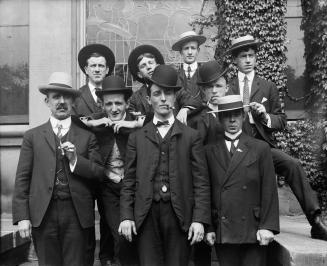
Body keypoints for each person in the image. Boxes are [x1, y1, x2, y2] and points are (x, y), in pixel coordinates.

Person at [227, 34, 327, 240]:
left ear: (256, 58)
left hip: (262, 148)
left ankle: (316, 221)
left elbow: (281, 120)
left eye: (251, 55)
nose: (248, 60)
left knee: (293, 164)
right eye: (243, 56)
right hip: (234, 149)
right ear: (235, 60)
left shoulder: (267, 86)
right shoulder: (228, 87)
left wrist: (264, 116)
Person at [119, 65, 211, 266]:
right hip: (146, 214)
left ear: (175, 97)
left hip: (179, 215)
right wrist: (126, 216)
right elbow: (129, 181)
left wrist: (199, 219)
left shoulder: (191, 137)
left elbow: (201, 182)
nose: (162, 98)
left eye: (168, 93)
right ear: (149, 99)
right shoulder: (137, 138)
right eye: (157, 93)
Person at [12, 72, 105, 266]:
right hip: (43, 214)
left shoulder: (87, 137)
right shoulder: (33, 136)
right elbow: (22, 179)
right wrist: (22, 217)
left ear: (74, 102)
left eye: (66, 97)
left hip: (76, 214)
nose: (61, 102)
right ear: (47, 101)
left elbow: (98, 173)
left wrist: (76, 160)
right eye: (56, 97)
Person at [205, 95, 280, 266]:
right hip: (224, 229)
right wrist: (208, 227)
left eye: (237, 114)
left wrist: (267, 226)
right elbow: (205, 191)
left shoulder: (260, 148)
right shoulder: (209, 151)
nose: (232, 120)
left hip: (253, 229)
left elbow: (269, 189)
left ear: (244, 116)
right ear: (219, 118)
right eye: (227, 115)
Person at [88, 76, 138, 266]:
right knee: (120, 233)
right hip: (108, 187)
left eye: (119, 103)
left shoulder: (137, 121)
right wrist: (92, 123)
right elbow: (73, 120)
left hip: (134, 187)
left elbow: (156, 119)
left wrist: (133, 124)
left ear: (127, 103)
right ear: (102, 104)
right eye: (109, 104)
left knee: (136, 233)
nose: (114, 109)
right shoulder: (97, 121)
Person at [74, 43, 116, 266]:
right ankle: (87, 258)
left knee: (110, 215)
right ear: (86, 69)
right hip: (87, 164)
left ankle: (107, 257)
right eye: (93, 66)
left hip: (112, 164)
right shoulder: (77, 98)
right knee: (86, 215)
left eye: (101, 65)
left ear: (108, 69)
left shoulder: (115, 94)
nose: (98, 69)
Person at [128, 44, 201, 125]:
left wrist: (185, 109)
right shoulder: (135, 98)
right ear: (139, 74)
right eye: (143, 66)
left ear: (158, 66)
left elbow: (194, 102)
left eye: (151, 63)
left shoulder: (173, 87)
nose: (148, 67)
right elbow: (130, 120)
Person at [188, 60, 227, 145]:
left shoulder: (235, 112)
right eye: (210, 87)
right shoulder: (196, 119)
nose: (214, 91)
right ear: (204, 90)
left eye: (218, 86)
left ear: (227, 88)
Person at [172, 30, 206, 104]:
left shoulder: (204, 74)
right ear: (181, 52)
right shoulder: (174, 76)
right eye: (186, 48)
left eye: (193, 48)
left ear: (198, 50)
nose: (190, 52)